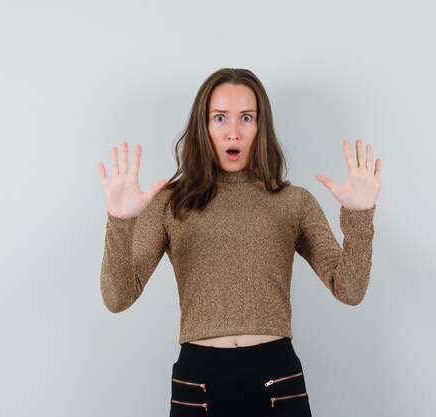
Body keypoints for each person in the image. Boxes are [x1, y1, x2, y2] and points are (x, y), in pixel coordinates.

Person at [98, 68, 381, 417]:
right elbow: (118, 297)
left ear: (262, 126)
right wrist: (121, 222)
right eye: (220, 118)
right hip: (198, 381)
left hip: (276, 377)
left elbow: (349, 290)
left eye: (246, 117)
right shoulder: (171, 202)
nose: (233, 131)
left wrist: (360, 216)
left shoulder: (294, 201)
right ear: (203, 126)